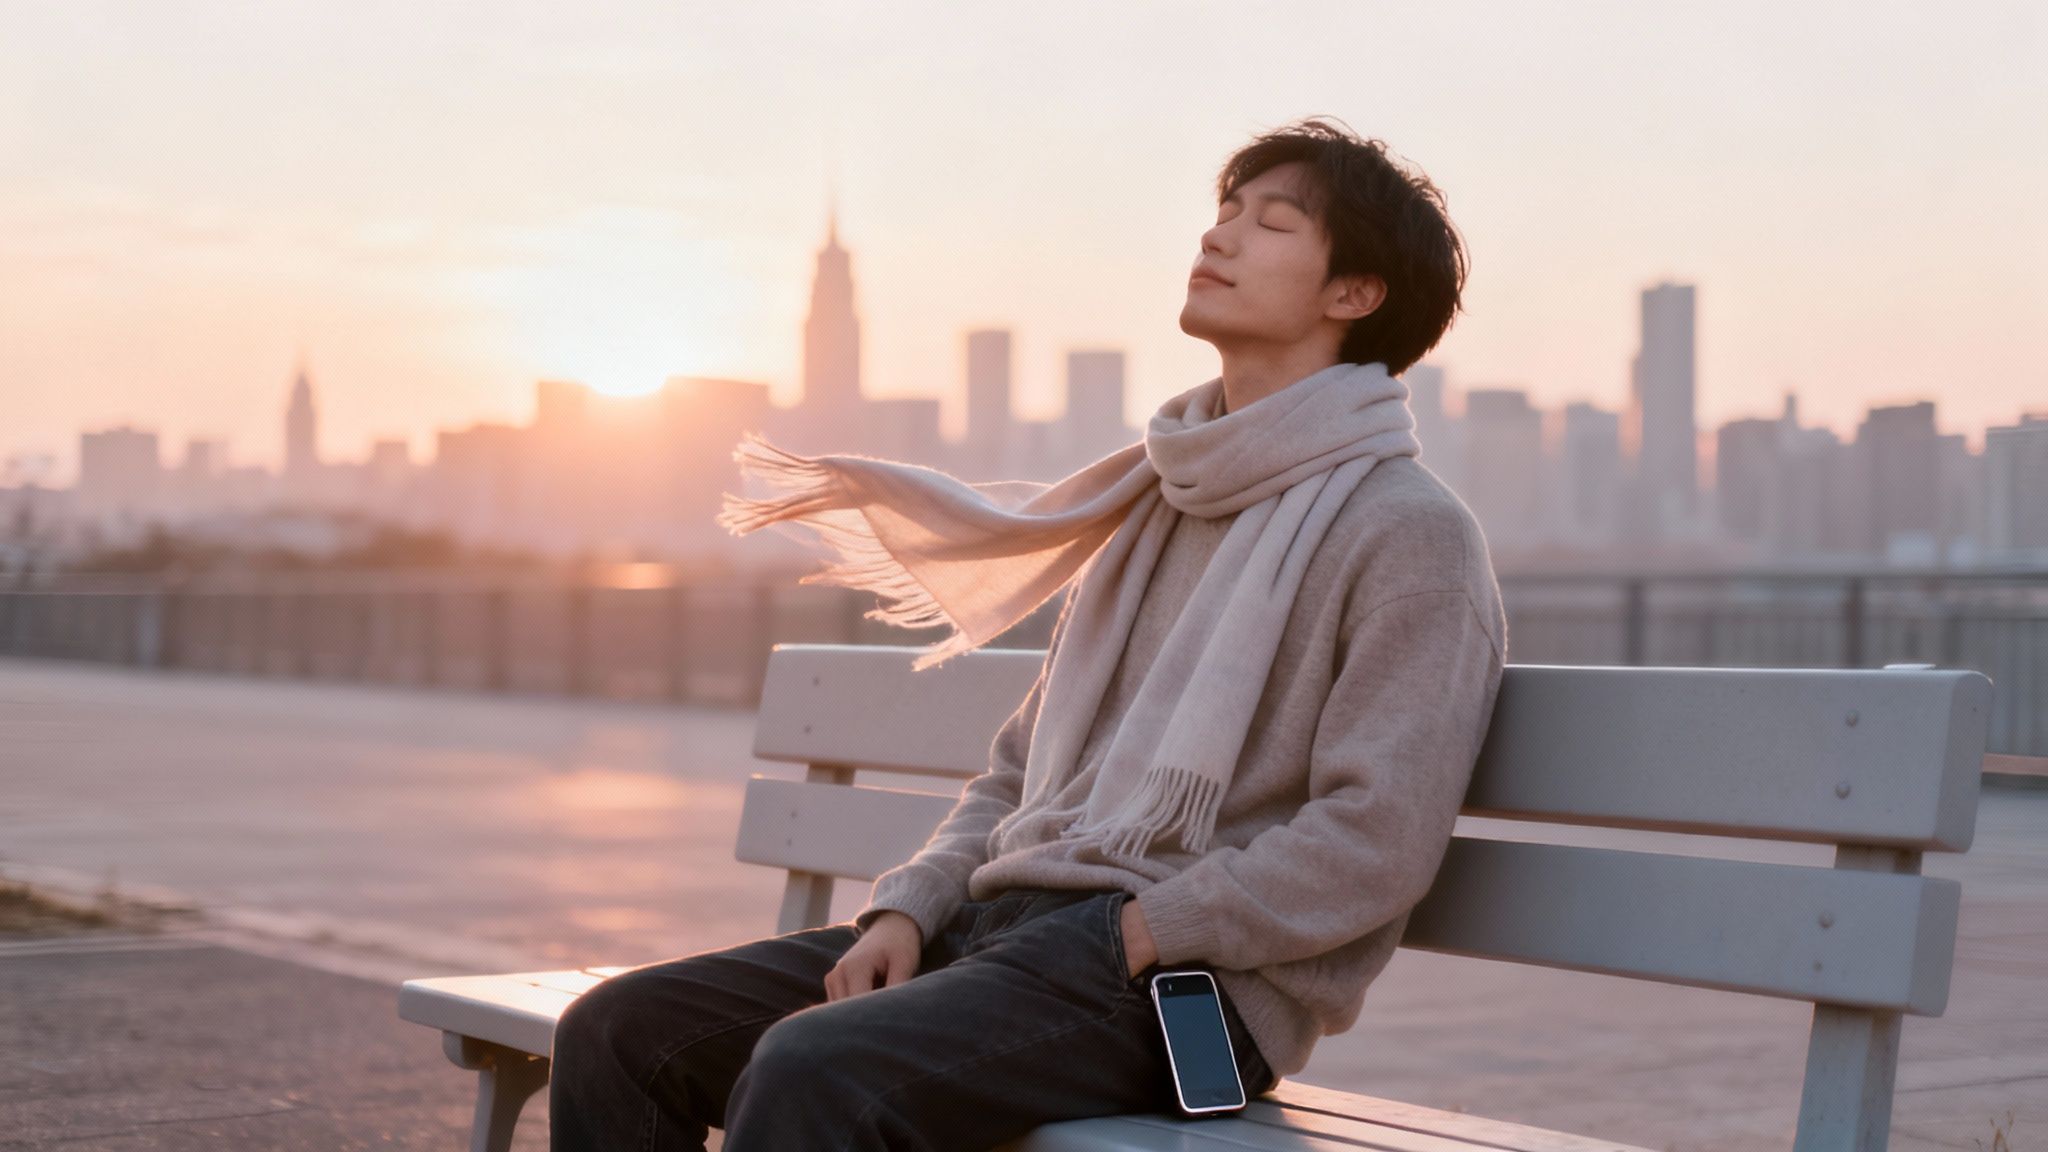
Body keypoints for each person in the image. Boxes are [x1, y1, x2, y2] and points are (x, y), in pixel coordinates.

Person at [548, 115, 1507, 1152]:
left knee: (815, 1068)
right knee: (617, 1032)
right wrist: (907, 910)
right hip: (995, 927)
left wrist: (1145, 931)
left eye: (1269, 225)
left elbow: (1375, 839)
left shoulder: (1409, 534)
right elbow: (1017, 777)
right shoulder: (1151, 510)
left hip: (1186, 985)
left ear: (1352, 294)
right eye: (1222, 212)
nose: (1217, 237)